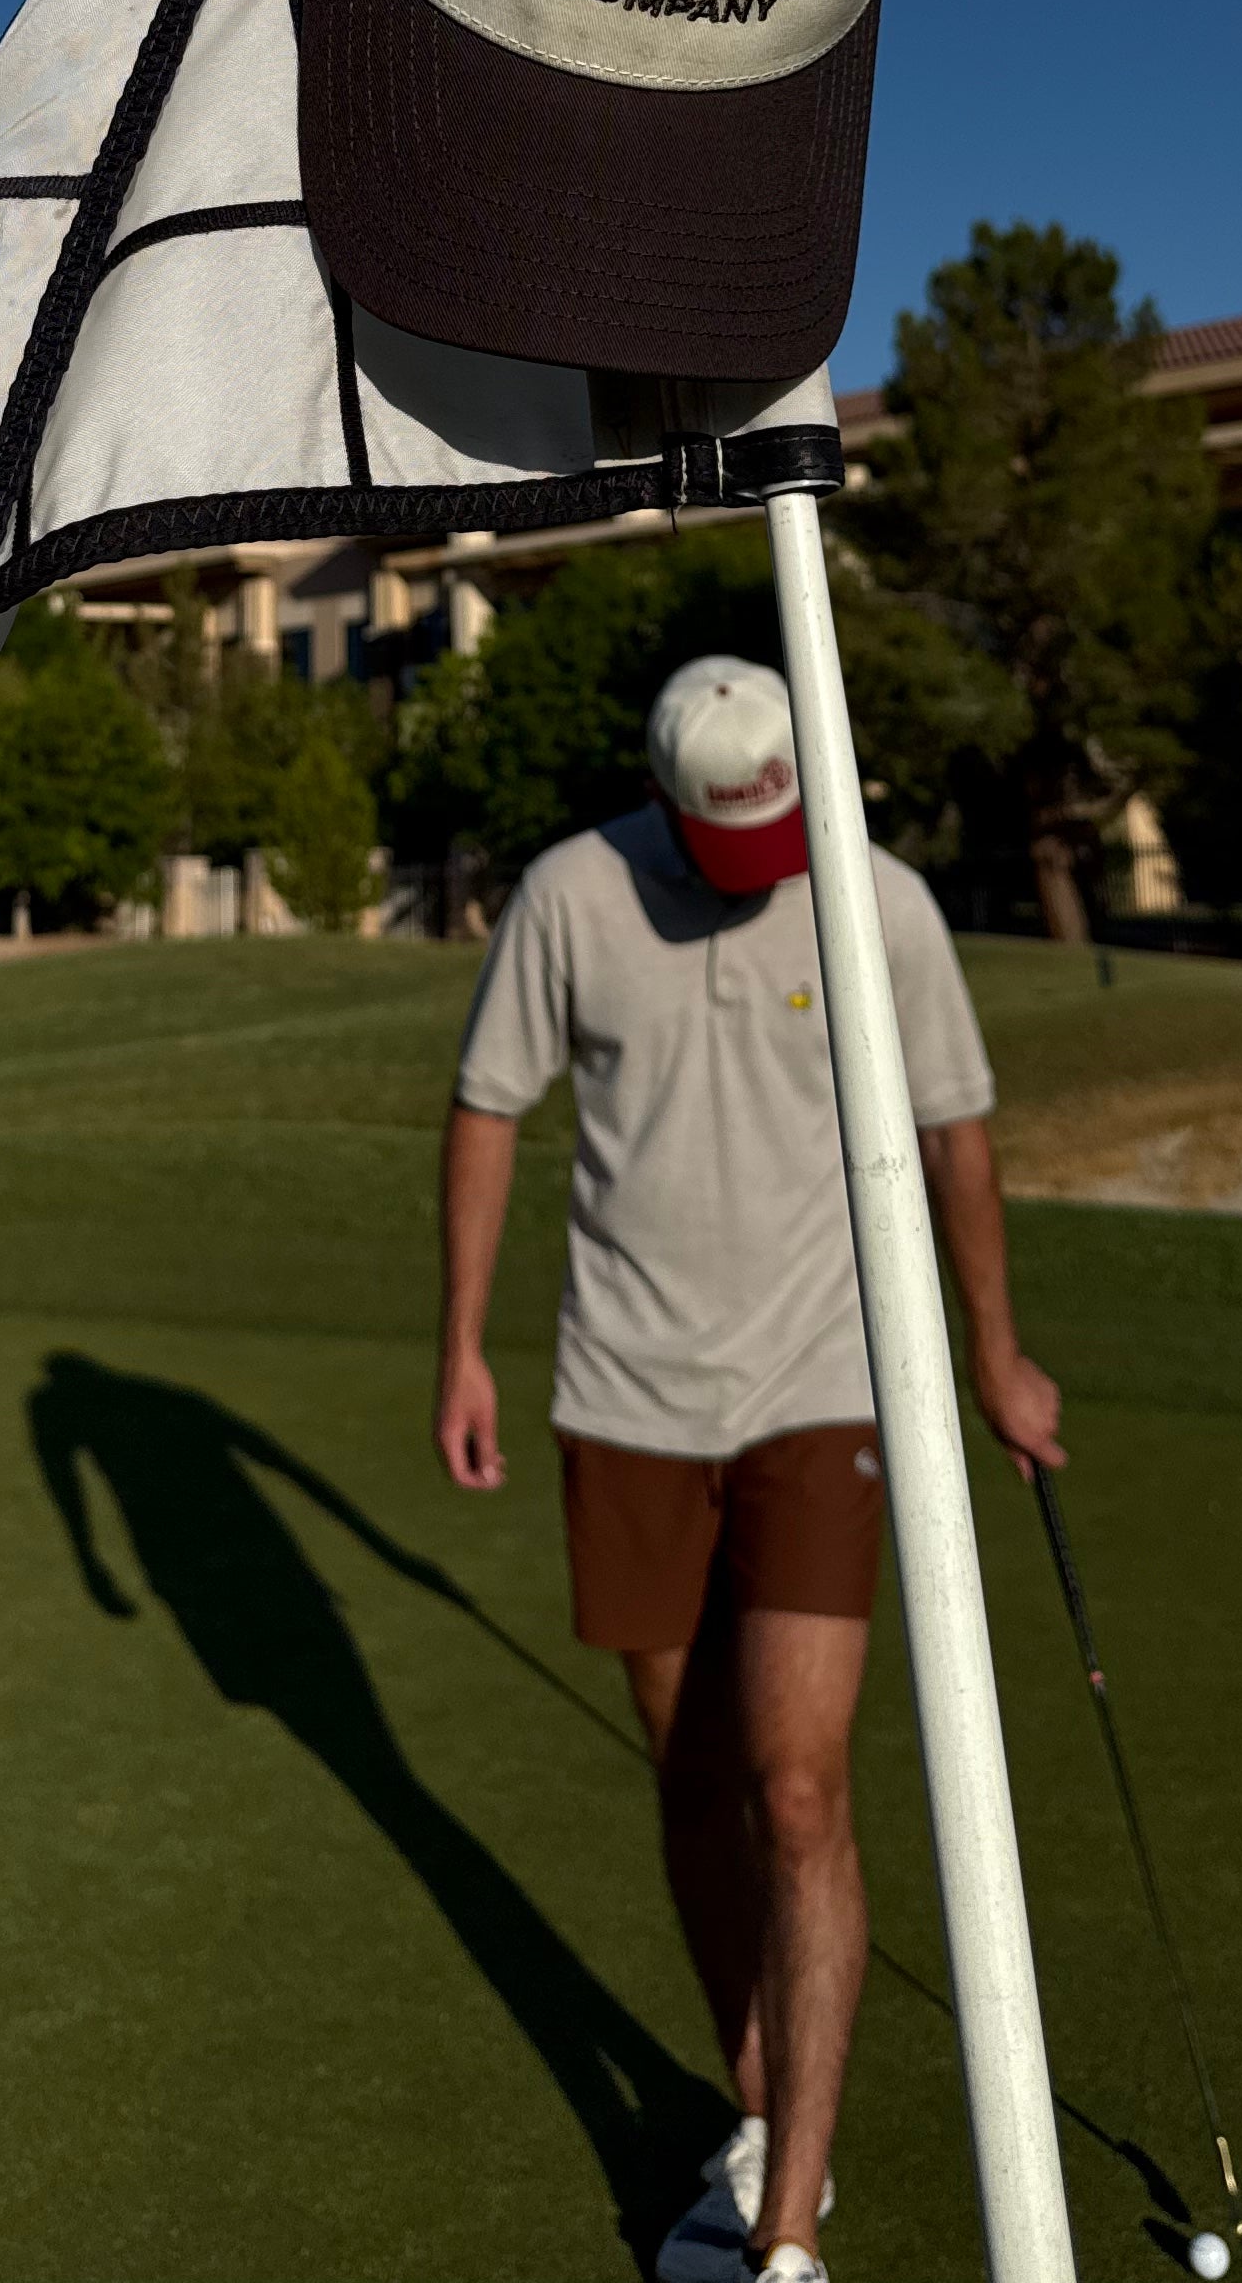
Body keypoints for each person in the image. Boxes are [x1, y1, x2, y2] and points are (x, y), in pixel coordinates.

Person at [434, 653, 1062, 2283]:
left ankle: (784, 2231)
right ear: (664, 800)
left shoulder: (879, 903)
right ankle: (768, 2105)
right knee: (697, 1780)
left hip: (821, 1384)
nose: (757, 870)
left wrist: (993, 1352)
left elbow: (956, 1129)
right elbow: (490, 1104)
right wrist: (460, 1347)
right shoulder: (575, 896)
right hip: (625, 1394)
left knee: (797, 1786)